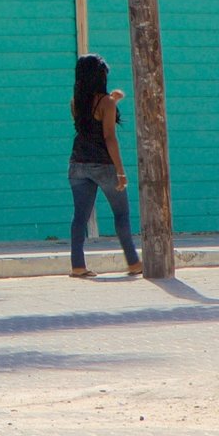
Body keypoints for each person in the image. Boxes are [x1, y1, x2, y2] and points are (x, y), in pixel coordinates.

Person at [68, 54, 139, 278]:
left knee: (80, 217)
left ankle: (77, 265)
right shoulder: (105, 102)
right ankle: (134, 263)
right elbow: (109, 137)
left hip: (78, 163)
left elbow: (89, 124)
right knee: (121, 214)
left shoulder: (75, 102)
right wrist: (120, 171)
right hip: (103, 165)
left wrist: (113, 101)